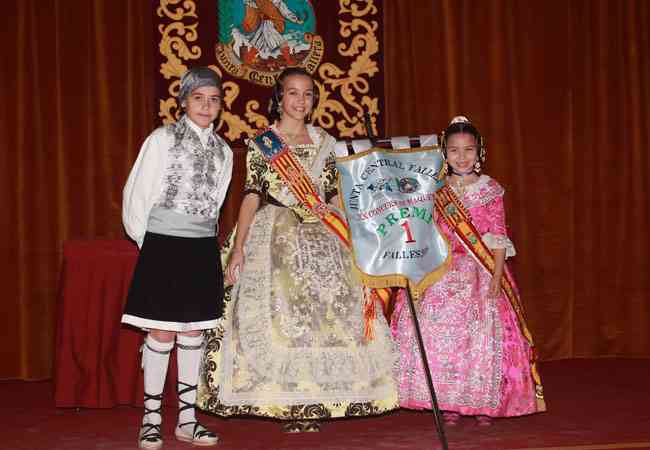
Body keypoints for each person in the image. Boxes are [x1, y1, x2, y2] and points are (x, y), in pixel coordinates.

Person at [197, 67, 397, 432]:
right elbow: (252, 195)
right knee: (283, 315)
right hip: (276, 233)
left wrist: (354, 233)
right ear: (279, 98)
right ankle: (286, 400)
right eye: (293, 92)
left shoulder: (326, 142)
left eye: (307, 94)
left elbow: (333, 194)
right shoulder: (263, 143)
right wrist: (238, 248)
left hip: (324, 234)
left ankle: (319, 398)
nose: (300, 100)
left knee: (327, 317)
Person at [391, 116, 546, 426]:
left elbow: (498, 234)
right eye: (454, 150)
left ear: (480, 152)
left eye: (468, 150)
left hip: (481, 271)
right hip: (441, 270)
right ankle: (448, 401)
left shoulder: (490, 189)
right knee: (441, 335)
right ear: (444, 153)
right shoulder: (434, 189)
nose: (461, 157)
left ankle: (481, 403)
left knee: (479, 338)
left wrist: (497, 277)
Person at [121, 67, 233, 449]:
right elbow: (137, 195)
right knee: (161, 331)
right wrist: (150, 244)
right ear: (184, 101)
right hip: (162, 245)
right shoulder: (162, 140)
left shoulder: (223, 151)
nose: (206, 105)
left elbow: (216, 203)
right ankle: (151, 419)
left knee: (193, 332)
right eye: (198, 98)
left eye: (214, 99)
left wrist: (202, 241)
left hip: (200, 248)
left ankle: (187, 419)